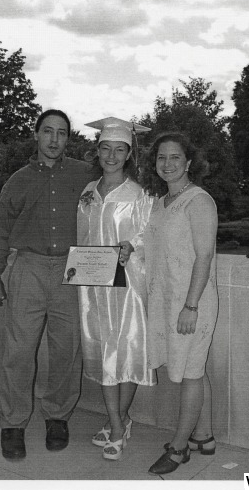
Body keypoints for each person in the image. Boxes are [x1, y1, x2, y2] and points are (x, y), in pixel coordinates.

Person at [0, 109, 95, 461]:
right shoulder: (18, 179)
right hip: (28, 267)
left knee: (66, 349)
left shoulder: (86, 175)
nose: (54, 139)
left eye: (61, 133)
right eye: (48, 131)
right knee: (18, 351)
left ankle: (57, 416)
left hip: (72, 270)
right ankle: (12, 423)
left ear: (68, 138)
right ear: (36, 135)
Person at [75, 117, 156, 461]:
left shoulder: (140, 195)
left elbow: (150, 236)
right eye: (105, 148)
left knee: (128, 354)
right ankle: (118, 420)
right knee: (105, 353)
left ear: (128, 154)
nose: (111, 155)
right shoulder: (88, 192)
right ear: (98, 151)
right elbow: (82, 238)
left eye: (119, 149)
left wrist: (131, 246)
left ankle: (118, 427)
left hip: (128, 286)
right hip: (94, 286)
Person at [140, 131, 219, 476]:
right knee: (193, 369)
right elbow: (155, 247)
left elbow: (204, 257)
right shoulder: (162, 202)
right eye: (161, 158)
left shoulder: (199, 200)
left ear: (188, 162)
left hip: (192, 300)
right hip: (168, 298)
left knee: (189, 373)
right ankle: (204, 436)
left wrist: (190, 306)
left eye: (175, 157)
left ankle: (179, 447)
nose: (167, 163)